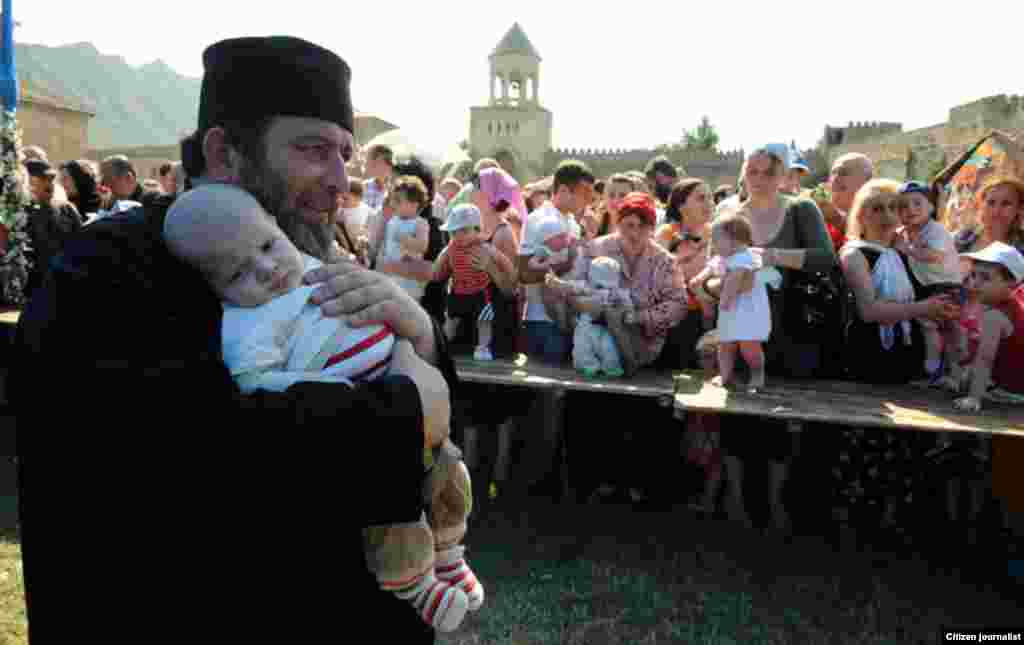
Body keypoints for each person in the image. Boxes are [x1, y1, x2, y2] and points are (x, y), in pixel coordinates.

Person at [12, 35, 455, 643]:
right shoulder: (104, 270)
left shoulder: (306, 255)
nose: (339, 179)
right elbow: (200, 459)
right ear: (223, 152)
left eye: (345, 154)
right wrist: (408, 412)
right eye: (313, 149)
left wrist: (421, 334)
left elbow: (433, 407)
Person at [164, 183, 481, 632]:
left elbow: (387, 308)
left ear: (276, 226)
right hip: (376, 430)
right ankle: (417, 587)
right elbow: (256, 381)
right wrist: (347, 392)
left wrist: (416, 338)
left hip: (406, 385)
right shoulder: (243, 324)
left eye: (268, 246)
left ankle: (449, 554)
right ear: (213, 288)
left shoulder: (312, 263)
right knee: (396, 518)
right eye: (238, 274)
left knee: (450, 480)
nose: (267, 269)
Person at [692, 145, 838, 532]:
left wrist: (770, 256)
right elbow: (710, 275)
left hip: (790, 329)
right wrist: (724, 284)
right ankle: (737, 501)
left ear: (783, 175)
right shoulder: (728, 213)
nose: (758, 179)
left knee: (782, 419)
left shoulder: (801, 209)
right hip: (739, 326)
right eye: (752, 171)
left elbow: (826, 259)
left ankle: (776, 504)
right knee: (735, 417)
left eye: (767, 172)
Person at [833, 179, 960, 539]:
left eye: (894, 207)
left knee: (907, 444)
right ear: (861, 215)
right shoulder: (855, 253)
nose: (888, 215)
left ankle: (899, 524)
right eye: (877, 208)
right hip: (869, 359)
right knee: (868, 443)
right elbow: (869, 311)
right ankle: (859, 526)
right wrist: (923, 308)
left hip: (907, 355)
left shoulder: (906, 252)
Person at [690, 213, 777, 390]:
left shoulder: (746, 257)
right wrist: (698, 279)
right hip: (730, 311)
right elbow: (710, 269)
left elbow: (736, 278)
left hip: (748, 311)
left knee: (749, 346)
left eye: (716, 240)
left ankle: (757, 373)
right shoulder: (724, 257)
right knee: (725, 344)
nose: (713, 244)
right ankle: (726, 375)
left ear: (734, 240)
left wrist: (726, 298)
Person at [892, 181, 963, 383]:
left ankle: (952, 372)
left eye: (917, 203)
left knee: (948, 329)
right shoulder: (906, 232)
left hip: (946, 286)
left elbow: (934, 256)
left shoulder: (935, 230)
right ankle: (934, 370)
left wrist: (907, 249)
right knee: (929, 328)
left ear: (931, 207)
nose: (910, 209)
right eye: (903, 206)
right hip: (927, 287)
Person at [434, 204, 504, 361]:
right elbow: (439, 264)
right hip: (458, 290)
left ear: (477, 230)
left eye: (464, 231)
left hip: (480, 291)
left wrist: (497, 268)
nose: (459, 236)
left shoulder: (483, 247)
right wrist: (436, 271)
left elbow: (500, 259)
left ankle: (483, 346)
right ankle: (442, 346)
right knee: (451, 320)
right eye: (454, 232)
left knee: (484, 320)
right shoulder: (451, 247)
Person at [546, 256, 631, 377]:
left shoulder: (616, 292)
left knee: (610, 348)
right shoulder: (587, 287)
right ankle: (589, 366)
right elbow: (569, 286)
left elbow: (627, 302)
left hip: (607, 326)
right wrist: (556, 283)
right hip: (587, 325)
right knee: (583, 346)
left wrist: (629, 313)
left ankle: (611, 367)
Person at [22, 159, 84, 297]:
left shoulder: (66, 209)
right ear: (27, 181)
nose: (49, 183)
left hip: (65, 283)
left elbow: (82, 243)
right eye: (43, 178)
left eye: (51, 178)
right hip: (32, 287)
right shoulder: (18, 213)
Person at [373, 175, 432, 302]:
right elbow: (386, 244)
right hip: (389, 274)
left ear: (414, 205)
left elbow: (423, 246)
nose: (393, 204)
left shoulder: (420, 223)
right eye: (393, 200)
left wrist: (405, 240)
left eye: (398, 201)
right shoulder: (392, 221)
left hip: (407, 278)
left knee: (406, 307)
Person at [954, 176, 1024, 256]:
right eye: (991, 202)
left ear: (1019, 208)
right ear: (981, 205)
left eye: (1006, 203)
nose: (996, 211)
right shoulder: (962, 239)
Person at [363, 144, 394, 211]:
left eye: (377, 162)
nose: (367, 164)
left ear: (389, 165)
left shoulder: (396, 190)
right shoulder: (364, 186)